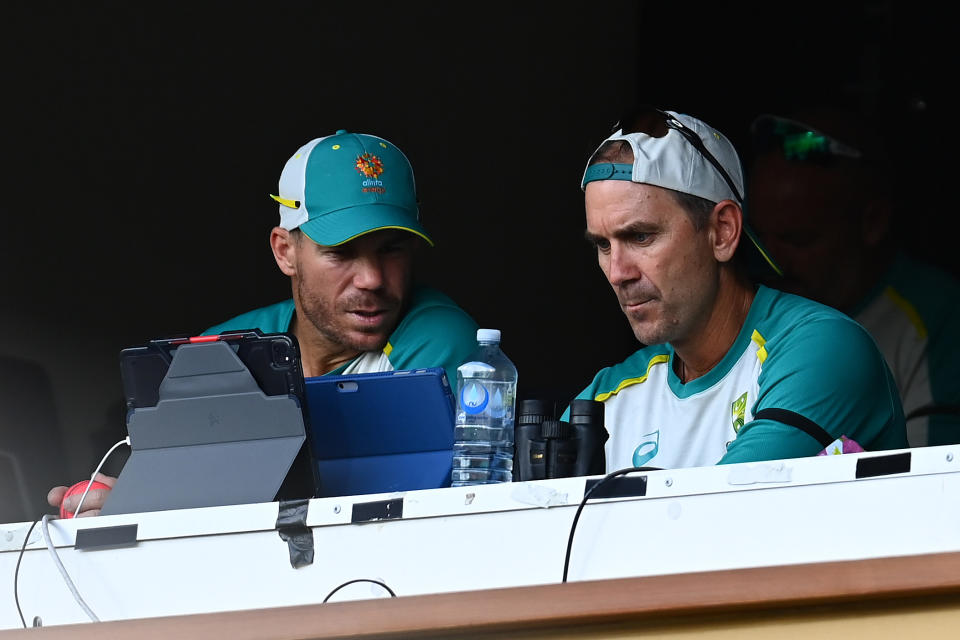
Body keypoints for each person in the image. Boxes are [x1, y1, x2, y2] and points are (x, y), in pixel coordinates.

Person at [49, 129, 479, 516]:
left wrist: (175, 495)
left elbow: (393, 500)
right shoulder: (224, 348)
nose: (372, 279)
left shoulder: (437, 336)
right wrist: (136, 500)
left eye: (392, 249)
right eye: (341, 252)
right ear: (285, 252)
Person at [564, 106, 907, 470]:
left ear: (723, 231)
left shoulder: (824, 348)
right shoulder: (608, 395)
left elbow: (723, 514)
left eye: (641, 236)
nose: (618, 272)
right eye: (603, 245)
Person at [746, 107, 960, 448]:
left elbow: (936, 485)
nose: (771, 261)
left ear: (872, 222)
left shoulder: (938, 319)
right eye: (758, 238)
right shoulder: (747, 314)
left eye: (798, 240)